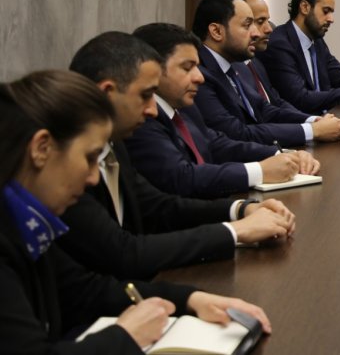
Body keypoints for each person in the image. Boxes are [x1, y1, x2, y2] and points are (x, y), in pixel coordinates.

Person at [0, 69, 271, 352]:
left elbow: (83, 291)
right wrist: (126, 335)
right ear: (41, 148)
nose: (93, 178)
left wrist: (190, 299)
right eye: (89, 158)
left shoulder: (28, 219)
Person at [60, 32, 295, 280]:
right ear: (108, 93)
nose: (153, 110)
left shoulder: (113, 143)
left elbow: (158, 205)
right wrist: (235, 231)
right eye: (146, 95)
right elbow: (123, 252)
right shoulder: (66, 165)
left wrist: (241, 209)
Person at [127, 23, 320, 198]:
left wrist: (282, 154)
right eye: (187, 68)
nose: (199, 77)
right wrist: (260, 171)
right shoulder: (141, 120)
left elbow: (216, 144)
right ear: (152, 70)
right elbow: (183, 177)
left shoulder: (183, 106)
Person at [191, 0, 340, 147]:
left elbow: (264, 109)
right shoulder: (197, 75)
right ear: (217, 31)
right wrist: (312, 131)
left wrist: (314, 121)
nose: (255, 33)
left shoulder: (235, 65)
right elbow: (237, 133)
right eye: (247, 25)